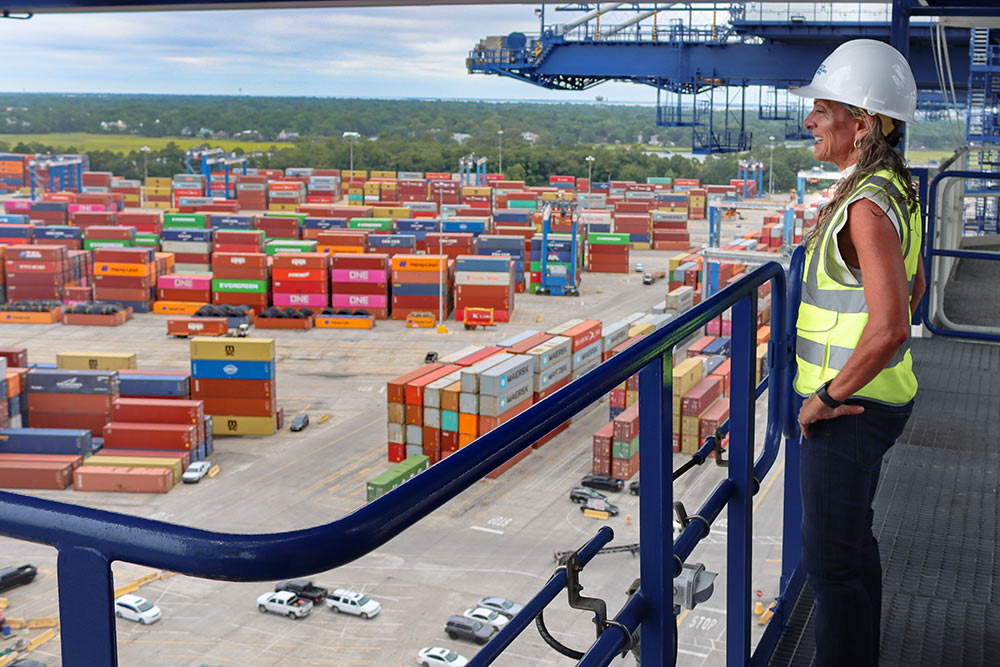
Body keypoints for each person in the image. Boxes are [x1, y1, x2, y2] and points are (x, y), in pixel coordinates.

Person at [789, 39, 926, 667]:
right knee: (852, 546)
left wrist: (826, 397)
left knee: (830, 569)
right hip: (876, 401)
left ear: (862, 122)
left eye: (822, 108)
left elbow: (893, 325)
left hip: (847, 411)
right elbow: (915, 286)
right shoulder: (896, 189)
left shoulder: (865, 207)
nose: (811, 121)